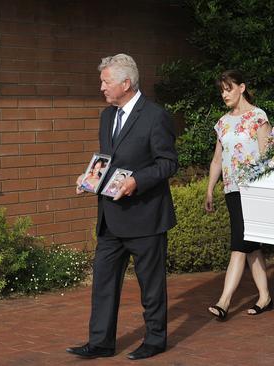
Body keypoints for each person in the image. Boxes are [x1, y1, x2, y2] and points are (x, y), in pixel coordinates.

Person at [67, 53, 177, 360]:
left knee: (151, 286)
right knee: (103, 282)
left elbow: (168, 163)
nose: (101, 87)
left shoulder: (156, 116)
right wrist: (89, 178)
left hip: (146, 217)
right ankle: (100, 342)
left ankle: (155, 340)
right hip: (110, 219)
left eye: (106, 81)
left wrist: (137, 182)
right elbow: (108, 162)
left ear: (125, 83)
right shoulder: (106, 116)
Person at [205, 70, 274, 321]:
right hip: (232, 190)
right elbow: (216, 160)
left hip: (253, 190)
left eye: (228, 88)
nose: (224, 94)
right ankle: (265, 296)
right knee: (251, 245)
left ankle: (224, 301)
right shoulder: (222, 123)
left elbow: (267, 156)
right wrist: (210, 188)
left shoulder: (258, 116)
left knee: (239, 244)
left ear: (241, 87)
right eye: (221, 90)